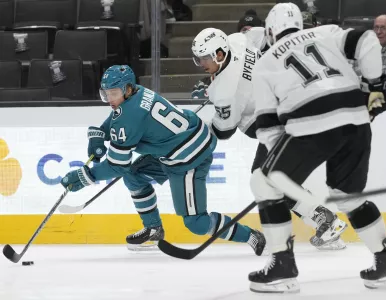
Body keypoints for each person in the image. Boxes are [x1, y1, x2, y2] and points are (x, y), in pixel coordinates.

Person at [248, 2, 386, 293]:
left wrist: (276, 170)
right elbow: (366, 40)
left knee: (262, 183)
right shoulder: (326, 32)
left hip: (310, 123)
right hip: (356, 120)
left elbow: (267, 126)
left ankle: (281, 266)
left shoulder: (265, 62)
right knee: (347, 196)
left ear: (270, 31)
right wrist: (375, 86)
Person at [60, 65, 266, 255]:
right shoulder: (137, 92)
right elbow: (119, 118)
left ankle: (251, 235)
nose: (110, 99)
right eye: (106, 93)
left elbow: (117, 164)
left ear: (128, 89)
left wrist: (86, 175)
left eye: (114, 93)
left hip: (189, 159)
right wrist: (101, 133)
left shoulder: (129, 117)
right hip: (181, 144)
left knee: (196, 223)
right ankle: (153, 229)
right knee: (134, 175)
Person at [191, 27, 347, 251]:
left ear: (220, 54)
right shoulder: (237, 41)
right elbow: (262, 34)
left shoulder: (225, 91)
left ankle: (327, 221)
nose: (201, 64)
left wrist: (204, 126)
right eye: (198, 59)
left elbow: (224, 131)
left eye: (205, 58)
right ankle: (323, 219)